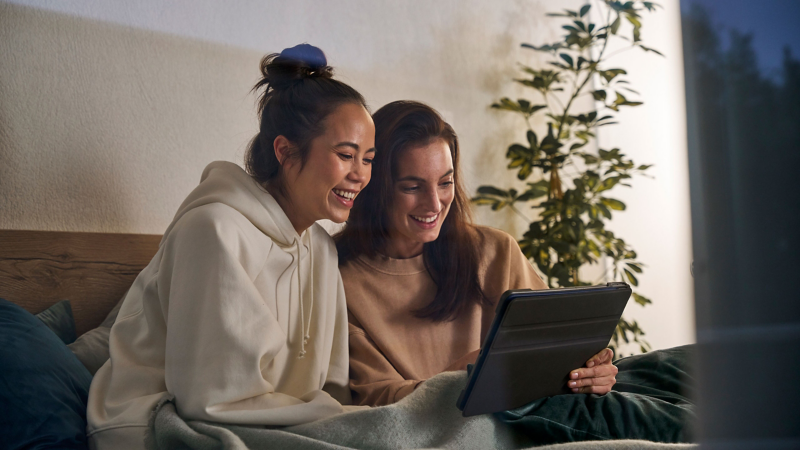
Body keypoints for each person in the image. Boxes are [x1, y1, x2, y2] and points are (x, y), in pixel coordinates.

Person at [336, 100, 694, 444]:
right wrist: (467, 371)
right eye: (412, 187)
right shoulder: (341, 281)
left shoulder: (493, 250)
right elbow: (373, 400)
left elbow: (559, 342)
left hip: (559, 392)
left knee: (696, 361)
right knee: (694, 419)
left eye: (445, 183)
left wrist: (594, 366)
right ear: (375, 187)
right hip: (514, 411)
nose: (434, 203)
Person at [86, 44, 375, 449]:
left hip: (275, 422)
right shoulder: (214, 230)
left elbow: (332, 389)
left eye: (368, 159)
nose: (360, 175)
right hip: (150, 422)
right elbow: (212, 400)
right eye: (346, 155)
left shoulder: (322, 251)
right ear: (285, 152)